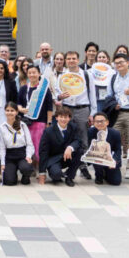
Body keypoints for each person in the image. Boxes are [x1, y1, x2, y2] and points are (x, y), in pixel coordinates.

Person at [55, 51, 96, 180]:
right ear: (66, 61)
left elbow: (92, 95)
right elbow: (57, 94)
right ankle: (68, 164)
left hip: (82, 109)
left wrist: (92, 113)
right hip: (67, 108)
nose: (71, 61)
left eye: (74, 58)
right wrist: (60, 97)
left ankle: (83, 166)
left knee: (83, 139)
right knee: (67, 137)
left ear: (78, 60)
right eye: (69, 59)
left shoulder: (86, 74)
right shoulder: (62, 76)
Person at [17, 65, 53, 169]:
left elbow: (49, 107)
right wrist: (20, 109)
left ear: (39, 74)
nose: (32, 75)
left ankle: (39, 168)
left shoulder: (44, 89)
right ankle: (29, 166)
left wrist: (49, 123)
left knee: (38, 146)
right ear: (27, 74)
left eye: (34, 72)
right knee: (27, 145)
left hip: (40, 122)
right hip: (26, 122)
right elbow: (18, 103)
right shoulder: (23, 88)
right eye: (30, 73)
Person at [38, 106, 82, 186]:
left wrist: (70, 147)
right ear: (57, 118)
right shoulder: (48, 131)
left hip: (68, 156)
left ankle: (69, 176)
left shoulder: (73, 127)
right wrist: (42, 172)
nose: (63, 119)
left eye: (66, 117)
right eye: (61, 117)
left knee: (80, 152)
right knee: (56, 176)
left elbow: (78, 140)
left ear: (69, 118)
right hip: (54, 159)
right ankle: (58, 174)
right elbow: (43, 151)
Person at [105, 53, 129, 179]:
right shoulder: (113, 78)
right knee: (113, 140)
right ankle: (114, 166)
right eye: (116, 63)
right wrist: (114, 104)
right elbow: (108, 96)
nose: (119, 65)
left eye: (121, 62)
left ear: (128, 63)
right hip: (118, 114)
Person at [0, 102, 35, 186]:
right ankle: (13, 173)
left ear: (17, 112)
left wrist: (28, 156)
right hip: (10, 156)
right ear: (4, 111)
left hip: (22, 154)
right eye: (7, 110)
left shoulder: (23, 125)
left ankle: (25, 176)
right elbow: (1, 147)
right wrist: (2, 164)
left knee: (26, 168)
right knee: (9, 181)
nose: (10, 113)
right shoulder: (2, 128)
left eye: (12, 110)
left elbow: (29, 144)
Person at [88, 112, 123, 185]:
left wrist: (114, 161)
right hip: (98, 158)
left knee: (116, 182)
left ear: (107, 122)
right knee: (96, 157)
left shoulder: (115, 133)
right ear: (93, 123)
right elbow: (89, 147)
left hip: (110, 159)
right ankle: (99, 175)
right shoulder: (90, 132)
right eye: (97, 121)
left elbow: (118, 149)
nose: (99, 123)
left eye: (102, 121)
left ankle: (106, 173)